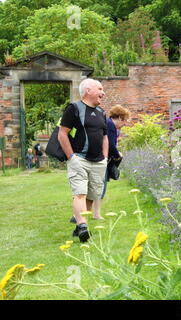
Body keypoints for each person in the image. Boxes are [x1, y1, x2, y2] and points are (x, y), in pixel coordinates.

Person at [58, 78, 108, 242]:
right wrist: (71, 157)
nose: (103, 92)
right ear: (88, 90)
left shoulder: (101, 112)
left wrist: (105, 158)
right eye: (99, 89)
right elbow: (62, 133)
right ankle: (83, 227)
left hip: (99, 161)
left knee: (91, 196)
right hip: (79, 158)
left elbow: (105, 137)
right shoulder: (74, 108)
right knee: (80, 192)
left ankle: (79, 223)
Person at [91, 105, 130, 219]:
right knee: (100, 187)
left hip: (100, 158)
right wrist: (118, 155)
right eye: (124, 121)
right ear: (119, 118)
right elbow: (111, 145)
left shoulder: (108, 124)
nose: (124, 124)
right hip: (102, 160)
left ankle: (93, 213)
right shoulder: (110, 125)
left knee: (98, 186)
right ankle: (96, 214)